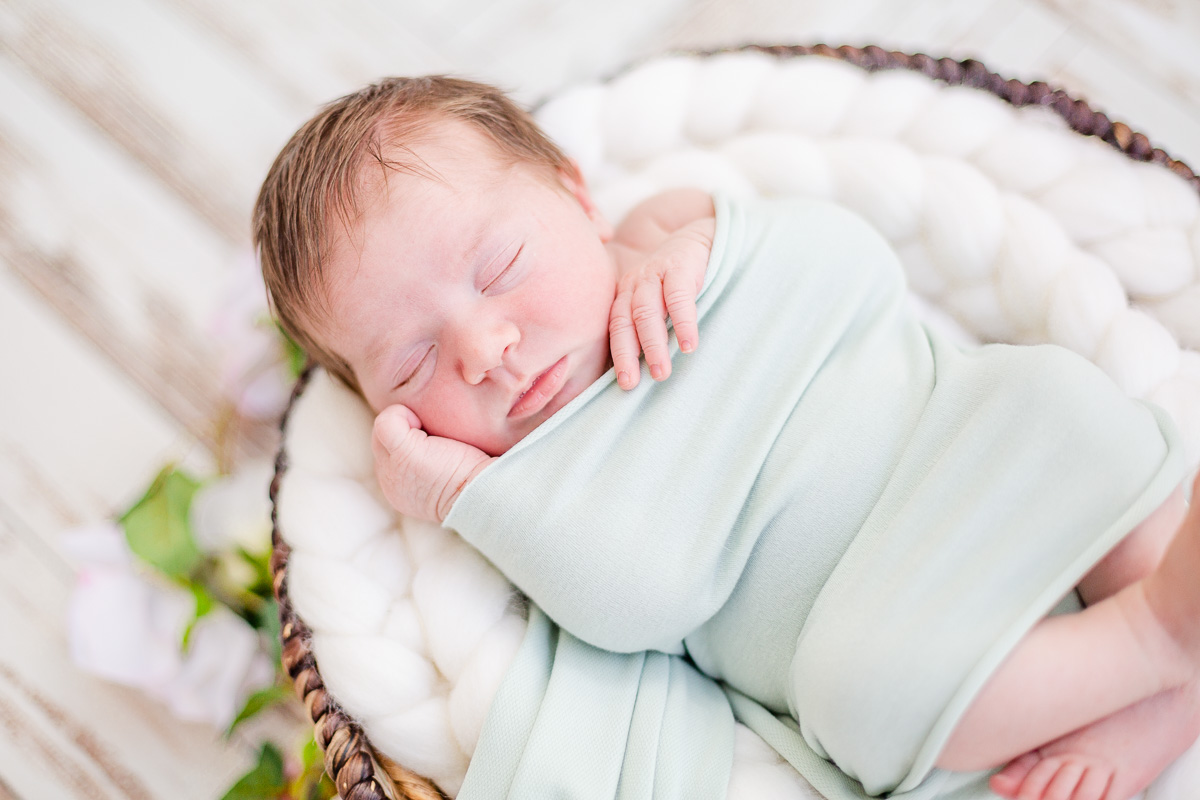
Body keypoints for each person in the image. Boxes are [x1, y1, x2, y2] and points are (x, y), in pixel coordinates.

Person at [254, 75, 1200, 800]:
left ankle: (1152, 626)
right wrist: (466, 496)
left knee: (1058, 400)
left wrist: (702, 249)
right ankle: (1158, 646)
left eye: (500, 266)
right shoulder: (534, 487)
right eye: (413, 363)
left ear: (579, 201)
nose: (485, 350)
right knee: (866, 700)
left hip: (964, 443)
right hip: (873, 617)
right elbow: (641, 598)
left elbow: (850, 274)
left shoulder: (674, 240)